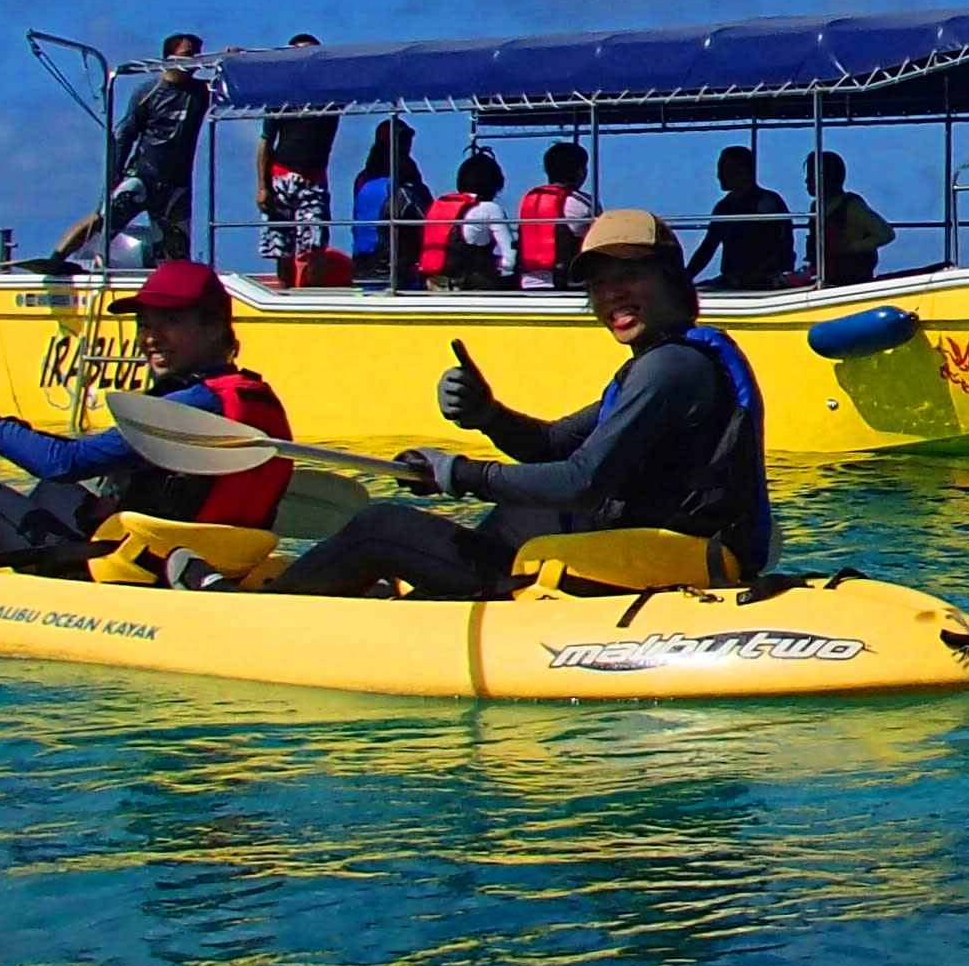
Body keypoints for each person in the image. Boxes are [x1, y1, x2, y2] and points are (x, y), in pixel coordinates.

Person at [268, 208, 771, 599]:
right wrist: (489, 415)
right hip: (654, 553)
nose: (610, 294)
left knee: (380, 527)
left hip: (659, 564)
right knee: (517, 511)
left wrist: (460, 474)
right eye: (597, 283)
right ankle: (424, 595)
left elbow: (580, 481)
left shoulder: (671, 368)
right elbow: (554, 445)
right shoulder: (669, 364)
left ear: (670, 279)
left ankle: (269, 614)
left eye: (629, 275)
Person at [0, 260, 291, 571]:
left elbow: (62, 462)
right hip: (201, 561)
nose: (150, 337)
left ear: (216, 328)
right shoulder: (256, 398)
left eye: (171, 321)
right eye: (145, 323)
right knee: (54, 494)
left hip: (132, 571)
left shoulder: (188, 407)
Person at [55, 33, 207, 266]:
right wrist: (114, 178)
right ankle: (55, 259)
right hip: (142, 176)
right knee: (103, 219)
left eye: (197, 54)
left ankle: (172, 286)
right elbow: (125, 135)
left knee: (177, 247)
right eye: (188, 55)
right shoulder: (147, 92)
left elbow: (232, 85)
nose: (195, 61)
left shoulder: (202, 92)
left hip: (176, 184)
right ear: (169, 57)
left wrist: (232, 60)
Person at [258, 34, 336, 282]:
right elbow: (265, 142)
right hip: (282, 174)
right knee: (281, 246)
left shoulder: (332, 92)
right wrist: (262, 187)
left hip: (314, 176)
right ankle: (284, 289)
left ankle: (309, 292)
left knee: (315, 242)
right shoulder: (281, 95)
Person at [685, 143, 796, 291]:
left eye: (725, 169)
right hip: (731, 280)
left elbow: (782, 246)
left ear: (743, 170)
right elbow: (708, 247)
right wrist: (685, 278)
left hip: (765, 282)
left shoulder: (767, 203)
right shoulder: (723, 207)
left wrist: (755, 276)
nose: (719, 175)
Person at [419, 148, 516, 290]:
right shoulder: (490, 209)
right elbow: (509, 260)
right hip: (469, 284)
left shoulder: (440, 206)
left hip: (434, 283)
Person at [349, 120, 428, 290]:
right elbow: (425, 216)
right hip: (391, 265)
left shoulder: (363, 179)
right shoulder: (403, 180)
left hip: (361, 263)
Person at [514, 141, 599, 287]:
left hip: (527, 281)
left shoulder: (530, 200)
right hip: (567, 283)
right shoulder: (583, 202)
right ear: (580, 171)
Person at [805, 150, 894, 286]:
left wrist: (850, 247)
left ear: (826, 177)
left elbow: (886, 233)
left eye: (811, 176)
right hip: (826, 279)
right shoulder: (817, 207)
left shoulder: (851, 207)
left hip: (852, 282)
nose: (806, 181)